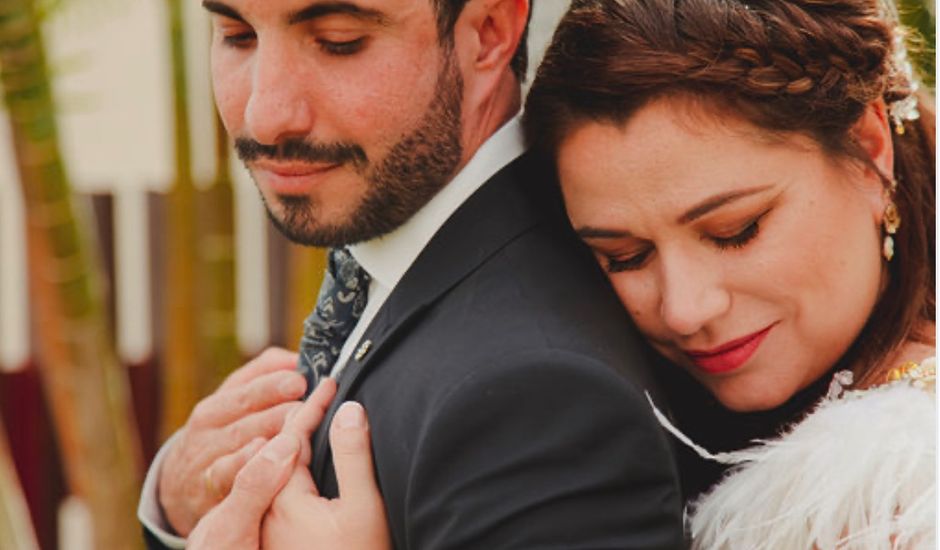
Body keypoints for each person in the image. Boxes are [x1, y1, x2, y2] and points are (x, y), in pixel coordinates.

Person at [192, 0, 935, 547]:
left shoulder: (907, 488)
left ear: (870, 147)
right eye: (623, 257)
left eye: (734, 232)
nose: (683, 308)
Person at [138, 0, 685, 548]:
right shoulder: (399, 243)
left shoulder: (542, 397)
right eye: (237, 35)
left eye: (339, 40)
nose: (266, 114)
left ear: (489, 33)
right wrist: (180, 504)